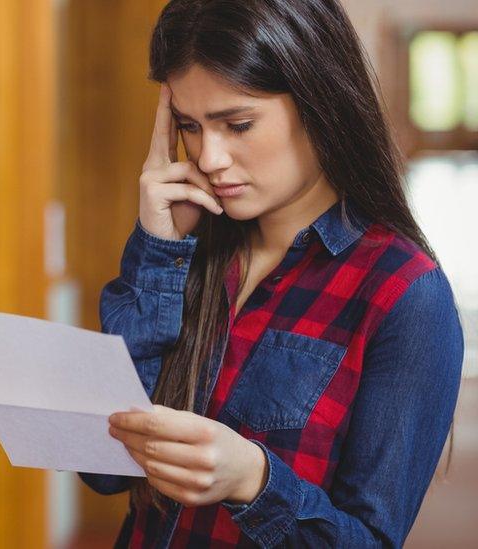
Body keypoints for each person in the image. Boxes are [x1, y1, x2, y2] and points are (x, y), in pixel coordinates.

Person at [82, 0, 463, 546]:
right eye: (189, 126)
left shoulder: (403, 293)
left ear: (318, 102)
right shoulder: (181, 254)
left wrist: (254, 480)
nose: (210, 157)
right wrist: (156, 250)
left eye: (237, 124)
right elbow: (103, 471)